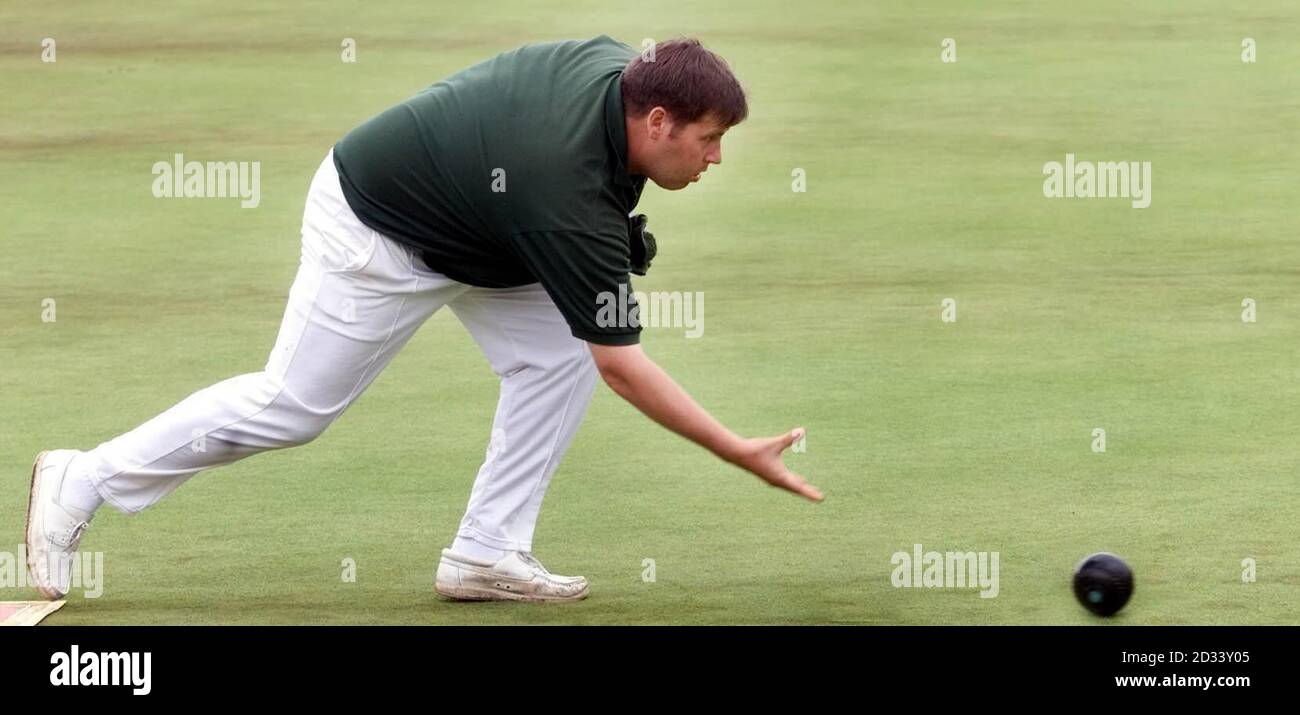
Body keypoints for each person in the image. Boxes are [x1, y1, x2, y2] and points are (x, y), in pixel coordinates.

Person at [25, 35, 822, 604]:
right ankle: (80, 478)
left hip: (482, 227)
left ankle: (485, 551)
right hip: (376, 225)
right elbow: (622, 363)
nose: (715, 159)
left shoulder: (620, 72)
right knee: (294, 407)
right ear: (656, 122)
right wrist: (734, 449)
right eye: (709, 140)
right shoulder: (566, 195)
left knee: (556, 358)